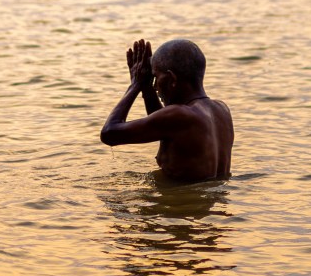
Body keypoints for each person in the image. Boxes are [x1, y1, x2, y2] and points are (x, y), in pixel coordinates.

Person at [100, 39, 233, 182]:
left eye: (156, 77)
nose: (156, 85)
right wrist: (147, 88)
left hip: (180, 203)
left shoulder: (180, 115)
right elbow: (163, 125)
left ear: (171, 79)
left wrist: (135, 85)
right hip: (211, 202)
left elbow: (110, 134)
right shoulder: (221, 109)